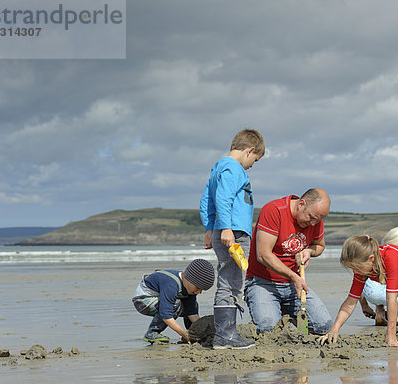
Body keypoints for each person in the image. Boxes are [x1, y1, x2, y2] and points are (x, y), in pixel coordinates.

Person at [199, 128, 265, 349]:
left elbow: (207, 198)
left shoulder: (218, 167)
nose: (252, 165)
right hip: (233, 232)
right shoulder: (233, 168)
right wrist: (226, 228)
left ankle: (226, 333)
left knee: (228, 279)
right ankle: (226, 336)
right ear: (250, 150)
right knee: (232, 282)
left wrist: (210, 228)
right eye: (254, 160)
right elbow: (223, 197)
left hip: (223, 229)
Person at [318, 235, 398, 347]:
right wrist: (334, 329)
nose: (355, 272)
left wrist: (391, 336)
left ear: (371, 258)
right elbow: (351, 301)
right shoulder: (362, 269)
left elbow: (391, 298)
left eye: (356, 267)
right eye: (352, 268)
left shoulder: (391, 256)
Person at [244, 188, 333, 334]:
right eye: (310, 217)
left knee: (324, 326)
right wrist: (293, 276)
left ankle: (286, 312)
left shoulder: (316, 220)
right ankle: (271, 311)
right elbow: (263, 255)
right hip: (263, 282)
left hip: (294, 285)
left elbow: (319, 246)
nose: (312, 224)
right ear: (301, 204)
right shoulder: (274, 210)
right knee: (269, 329)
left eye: (317, 220)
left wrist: (309, 251)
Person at [132, 258, 215, 344]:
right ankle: (152, 332)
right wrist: (182, 332)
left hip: (159, 298)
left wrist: (202, 329)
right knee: (175, 305)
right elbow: (166, 314)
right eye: (198, 288)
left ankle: (192, 332)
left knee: (194, 305)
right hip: (144, 300)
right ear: (189, 279)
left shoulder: (189, 288)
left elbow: (191, 311)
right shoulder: (171, 284)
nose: (199, 292)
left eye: (202, 290)